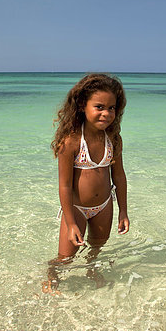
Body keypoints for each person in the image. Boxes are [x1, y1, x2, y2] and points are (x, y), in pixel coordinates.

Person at [43, 73, 130, 294]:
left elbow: (119, 177)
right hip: (77, 209)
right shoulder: (71, 141)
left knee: (97, 246)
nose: (106, 113)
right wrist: (71, 222)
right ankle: (52, 276)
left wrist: (123, 212)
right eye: (99, 106)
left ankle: (91, 269)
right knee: (66, 257)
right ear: (83, 105)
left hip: (104, 206)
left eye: (112, 108)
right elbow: (64, 186)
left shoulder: (114, 139)